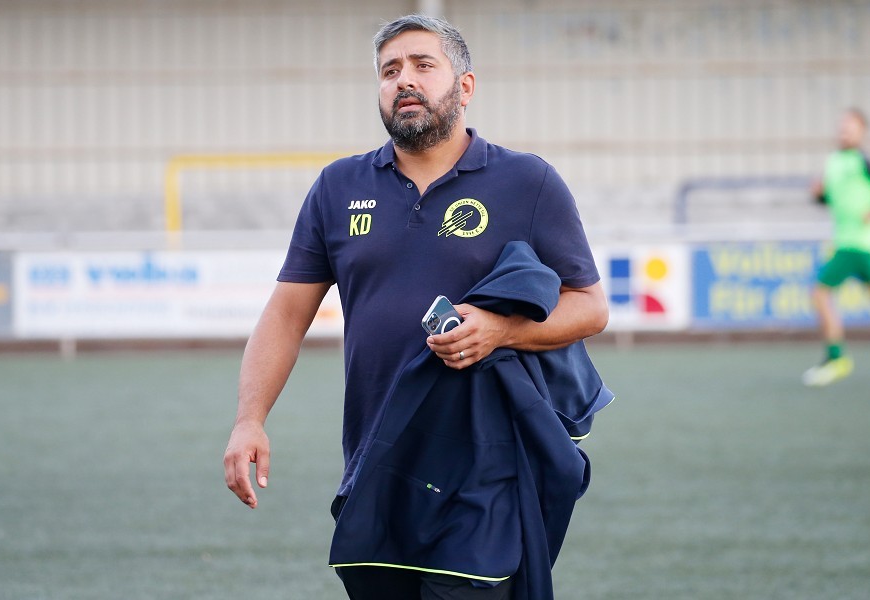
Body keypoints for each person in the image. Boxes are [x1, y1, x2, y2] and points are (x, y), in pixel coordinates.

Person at [223, 14, 608, 599]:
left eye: (424, 65)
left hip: (486, 464)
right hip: (379, 454)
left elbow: (590, 307)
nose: (404, 79)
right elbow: (285, 315)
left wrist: (500, 330)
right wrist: (249, 419)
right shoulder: (337, 186)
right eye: (389, 71)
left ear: (465, 86)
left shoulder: (527, 182)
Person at [802, 107, 870, 387]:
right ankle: (836, 358)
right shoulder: (833, 161)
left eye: (851, 127)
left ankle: (836, 358)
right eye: (842, 126)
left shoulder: (863, 161)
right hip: (846, 242)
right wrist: (819, 194)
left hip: (861, 244)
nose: (845, 131)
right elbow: (832, 198)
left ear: (862, 132)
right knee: (821, 294)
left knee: (820, 293)